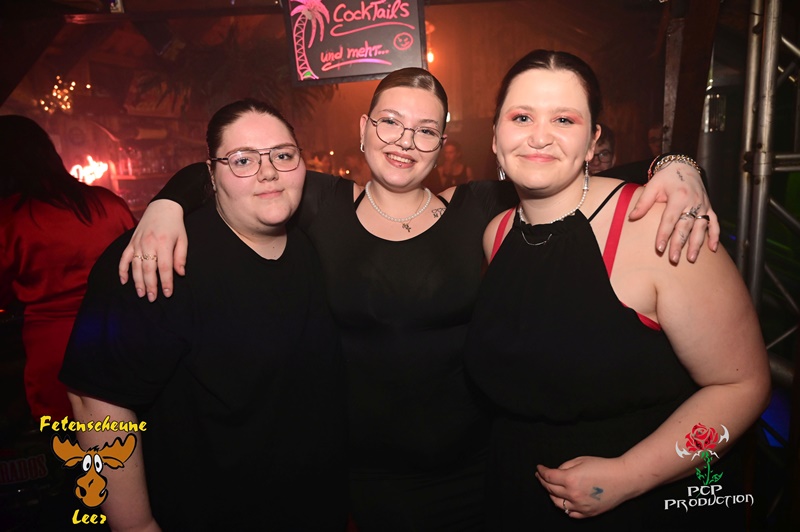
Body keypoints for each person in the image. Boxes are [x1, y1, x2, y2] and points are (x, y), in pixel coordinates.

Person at [116, 68, 718, 531]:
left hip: (479, 469)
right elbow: (240, 167)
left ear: (442, 142)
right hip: (364, 477)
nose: (405, 141)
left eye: (425, 129)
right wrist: (166, 205)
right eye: (389, 122)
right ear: (363, 129)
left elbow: (588, 172)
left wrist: (679, 164)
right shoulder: (320, 205)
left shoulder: (480, 208)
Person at [463, 50, 771, 530]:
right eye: (521, 117)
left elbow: (744, 387)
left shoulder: (660, 226)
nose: (539, 136)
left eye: (564, 119)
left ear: (592, 141)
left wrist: (628, 476)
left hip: (640, 506)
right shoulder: (497, 234)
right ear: (495, 136)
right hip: (514, 496)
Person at [59, 100, 347, 530]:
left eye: (283, 155)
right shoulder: (158, 260)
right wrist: (133, 524)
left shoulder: (312, 241)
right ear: (211, 174)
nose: (268, 172)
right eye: (243, 160)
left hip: (314, 510)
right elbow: (94, 399)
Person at [0, 115, 136, 421]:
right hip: (121, 338)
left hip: (55, 351)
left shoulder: (9, 218)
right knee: (127, 436)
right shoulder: (107, 202)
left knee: (68, 441)